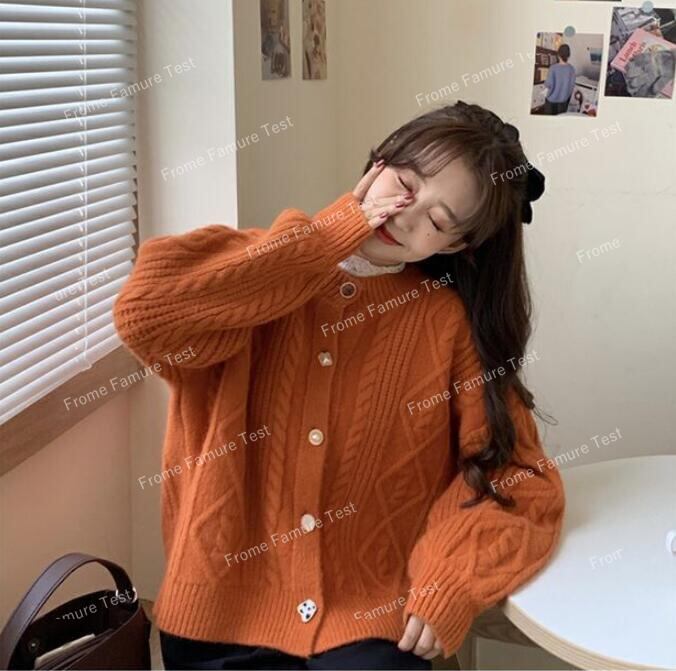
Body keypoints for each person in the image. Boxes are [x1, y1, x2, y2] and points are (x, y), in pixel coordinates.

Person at [113, 100, 565, 670]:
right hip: (217, 616)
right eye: (404, 184)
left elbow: (519, 478)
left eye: (437, 220)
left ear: (454, 247)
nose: (403, 216)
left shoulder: (446, 324)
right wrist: (331, 235)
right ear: (377, 164)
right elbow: (145, 316)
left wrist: (448, 579)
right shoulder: (256, 274)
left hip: (369, 622)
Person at [543, 44, 577, 114]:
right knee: (560, 119)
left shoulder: (553, 68)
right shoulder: (572, 69)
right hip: (563, 101)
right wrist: (565, 96)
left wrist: (545, 94)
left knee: (549, 120)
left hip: (551, 101)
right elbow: (571, 86)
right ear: (568, 56)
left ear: (558, 54)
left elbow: (549, 86)